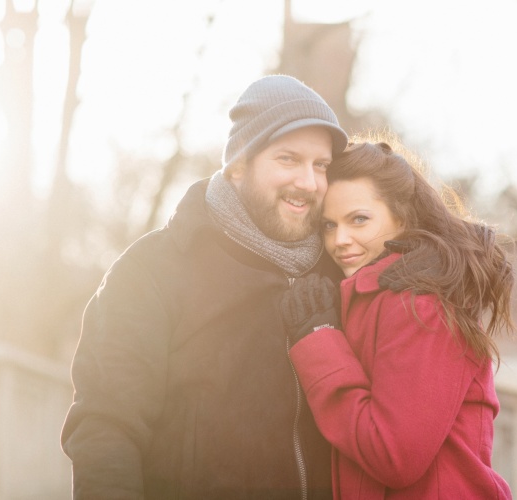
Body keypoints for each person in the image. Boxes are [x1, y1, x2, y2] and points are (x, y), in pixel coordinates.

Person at [60, 74, 348, 499]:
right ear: (238, 165)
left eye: (320, 165)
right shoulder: (150, 271)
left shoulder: (342, 269)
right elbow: (105, 431)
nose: (308, 182)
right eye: (288, 159)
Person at [281, 136, 516, 499]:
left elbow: (395, 456)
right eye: (328, 225)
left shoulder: (421, 302)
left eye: (359, 220)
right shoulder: (375, 294)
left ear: (402, 218)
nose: (340, 239)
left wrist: (319, 338)